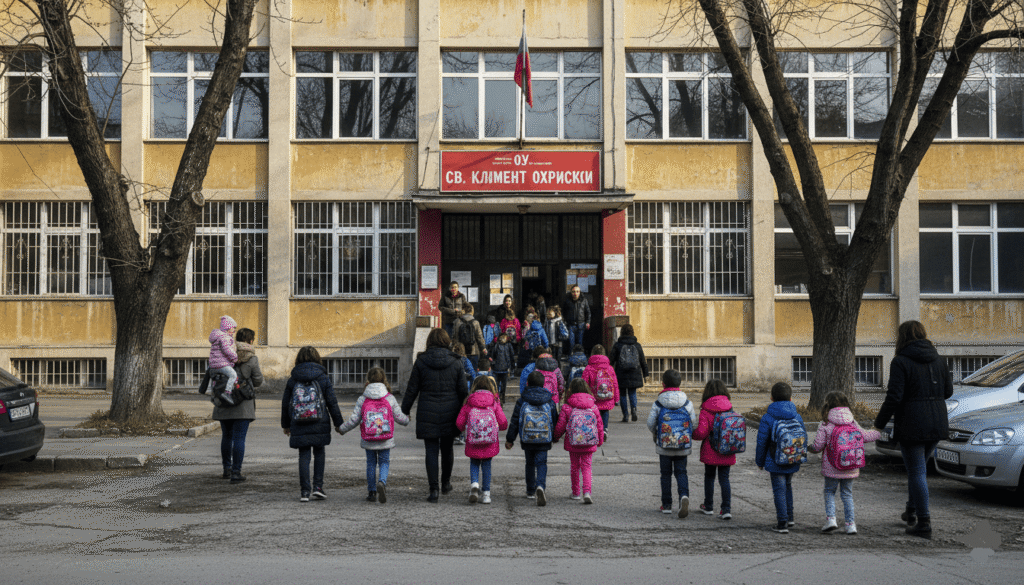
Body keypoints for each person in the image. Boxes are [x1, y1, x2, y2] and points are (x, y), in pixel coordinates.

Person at [874, 320, 953, 539]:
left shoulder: (900, 361)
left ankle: (924, 522)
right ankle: (911, 511)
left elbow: (894, 397)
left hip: (912, 423)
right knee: (918, 471)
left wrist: (879, 423)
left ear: (902, 337)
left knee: (917, 472)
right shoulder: (938, 359)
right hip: (937, 422)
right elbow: (948, 391)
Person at [402, 328, 468, 503]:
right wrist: (466, 412)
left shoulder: (422, 361)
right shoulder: (456, 362)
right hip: (450, 411)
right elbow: (463, 391)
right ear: (447, 342)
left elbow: (412, 389)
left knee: (430, 451)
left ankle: (434, 490)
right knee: (447, 449)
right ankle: (445, 483)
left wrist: (405, 410)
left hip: (427, 411)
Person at [335, 367, 410, 503]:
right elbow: (399, 417)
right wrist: (407, 420)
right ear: (384, 380)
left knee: (370, 463)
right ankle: (382, 482)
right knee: (384, 462)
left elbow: (354, 420)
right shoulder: (389, 398)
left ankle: (372, 492)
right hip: (385, 437)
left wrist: (342, 429)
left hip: (369, 437)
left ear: (368, 380)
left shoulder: (363, 399)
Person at [810, 391, 881, 535]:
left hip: (832, 466)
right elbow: (865, 436)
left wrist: (810, 448)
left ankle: (831, 520)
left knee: (829, 491)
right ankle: (850, 525)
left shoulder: (826, 424)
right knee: (847, 494)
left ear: (827, 406)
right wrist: (879, 432)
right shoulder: (852, 422)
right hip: (851, 466)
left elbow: (818, 446)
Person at [281, 346, 344, 502]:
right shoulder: (322, 377)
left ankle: (304, 492)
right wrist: (339, 423)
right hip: (319, 420)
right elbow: (332, 402)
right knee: (319, 452)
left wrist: (285, 424)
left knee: (304, 455)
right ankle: (318, 488)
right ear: (317, 359)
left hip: (298, 420)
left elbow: (285, 403)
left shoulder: (293, 378)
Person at [212, 327, 263, 484]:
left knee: (226, 436)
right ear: (251, 341)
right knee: (239, 438)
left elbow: (213, 373)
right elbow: (258, 381)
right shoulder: (251, 358)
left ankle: (226, 469)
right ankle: (236, 473)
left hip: (223, 401)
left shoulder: (223, 353)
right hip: (242, 404)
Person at [755, 382, 807, 533]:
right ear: (791, 399)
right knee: (788, 486)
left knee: (779, 489)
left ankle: (782, 522)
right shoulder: (797, 415)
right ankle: (790, 518)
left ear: (771, 398)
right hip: (792, 457)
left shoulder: (768, 417)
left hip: (774, 459)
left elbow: (761, 442)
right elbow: (803, 436)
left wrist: (760, 461)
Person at [646, 369, 696, 517]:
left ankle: (666, 505)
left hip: (664, 446)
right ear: (680, 384)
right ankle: (683, 497)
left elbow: (650, 423)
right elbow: (694, 423)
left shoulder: (658, 403)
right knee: (681, 472)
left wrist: (658, 432)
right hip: (682, 445)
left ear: (663, 384)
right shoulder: (687, 403)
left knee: (665, 474)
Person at [505, 370, 560, 506]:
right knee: (541, 463)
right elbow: (555, 419)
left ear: (528, 383)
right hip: (544, 438)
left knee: (529, 463)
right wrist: (555, 435)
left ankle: (530, 490)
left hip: (527, 437)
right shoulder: (549, 399)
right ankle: (540, 486)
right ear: (543, 385)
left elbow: (515, 420)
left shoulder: (523, 399)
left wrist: (510, 439)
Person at [455, 376, 508, 504]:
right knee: (486, 466)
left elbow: (459, 423)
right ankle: (486, 494)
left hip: (473, 439)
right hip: (489, 441)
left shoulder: (469, 402)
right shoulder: (494, 402)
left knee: (474, 463)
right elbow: (503, 423)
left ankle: (474, 484)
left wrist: (463, 429)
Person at [554, 378, 604, 504]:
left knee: (575, 467)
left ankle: (576, 493)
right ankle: (587, 492)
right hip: (589, 441)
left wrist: (555, 436)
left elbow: (561, 425)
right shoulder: (593, 406)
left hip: (573, 442)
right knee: (587, 467)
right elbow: (599, 425)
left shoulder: (567, 406)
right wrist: (600, 440)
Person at [692, 379, 735, 519]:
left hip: (710, 450)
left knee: (709, 477)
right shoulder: (730, 408)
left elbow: (701, 433)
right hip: (727, 450)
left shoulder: (706, 410)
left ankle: (708, 506)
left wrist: (691, 434)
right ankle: (726, 509)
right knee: (725, 479)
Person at [609, 324, 649, 423]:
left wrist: (609, 373)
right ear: (632, 332)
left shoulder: (618, 345)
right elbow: (643, 361)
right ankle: (634, 409)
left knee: (622, 394)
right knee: (632, 392)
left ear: (622, 332)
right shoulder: (637, 345)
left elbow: (611, 360)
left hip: (621, 373)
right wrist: (646, 374)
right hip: (634, 372)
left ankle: (625, 415)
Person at [582, 344, 619, 433]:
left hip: (593, 396)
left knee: (594, 413)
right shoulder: (610, 368)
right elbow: (615, 383)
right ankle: (605, 429)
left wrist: (584, 396)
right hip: (607, 395)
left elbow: (584, 383)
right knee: (605, 411)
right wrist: (616, 398)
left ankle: (596, 429)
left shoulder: (589, 368)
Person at [208, 315, 239, 404]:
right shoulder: (225, 337)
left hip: (214, 364)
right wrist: (235, 358)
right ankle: (227, 393)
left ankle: (214, 395)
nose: (234, 330)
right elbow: (227, 350)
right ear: (228, 328)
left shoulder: (218, 336)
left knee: (215, 380)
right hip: (221, 364)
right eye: (233, 328)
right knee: (233, 375)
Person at [452, 303, 487, 369]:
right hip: (473, 352)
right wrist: (483, 348)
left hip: (460, 352)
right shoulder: (475, 322)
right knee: (473, 371)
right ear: (472, 311)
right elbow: (479, 337)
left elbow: (454, 337)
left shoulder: (456, 322)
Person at [561, 285, 591, 352]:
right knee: (571, 343)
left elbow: (588, 313)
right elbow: (563, 312)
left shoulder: (584, 300)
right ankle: (572, 358)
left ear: (580, 292)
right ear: (571, 292)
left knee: (580, 343)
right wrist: (564, 322)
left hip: (581, 325)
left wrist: (588, 322)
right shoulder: (567, 301)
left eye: (577, 291)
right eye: (573, 292)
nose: (575, 293)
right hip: (571, 325)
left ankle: (580, 358)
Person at [490, 332, 516, 405]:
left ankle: (497, 398)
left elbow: (493, 356)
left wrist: (493, 364)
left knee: (497, 384)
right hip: (505, 368)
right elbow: (511, 356)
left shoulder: (496, 345)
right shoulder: (509, 345)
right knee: (504, 384)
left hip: (497, 368)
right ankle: (503, 397)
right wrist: (512, 367)